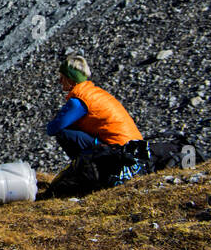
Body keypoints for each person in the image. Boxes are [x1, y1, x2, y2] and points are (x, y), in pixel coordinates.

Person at [46, 52, 146, 188]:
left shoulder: (79, 100)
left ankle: (90, 173)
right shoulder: (93, 93)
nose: (59, 81)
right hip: (134, 150)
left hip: (119, 151)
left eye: (62, 77)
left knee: (64, 133)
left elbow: (54, 128)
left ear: (71, 79)